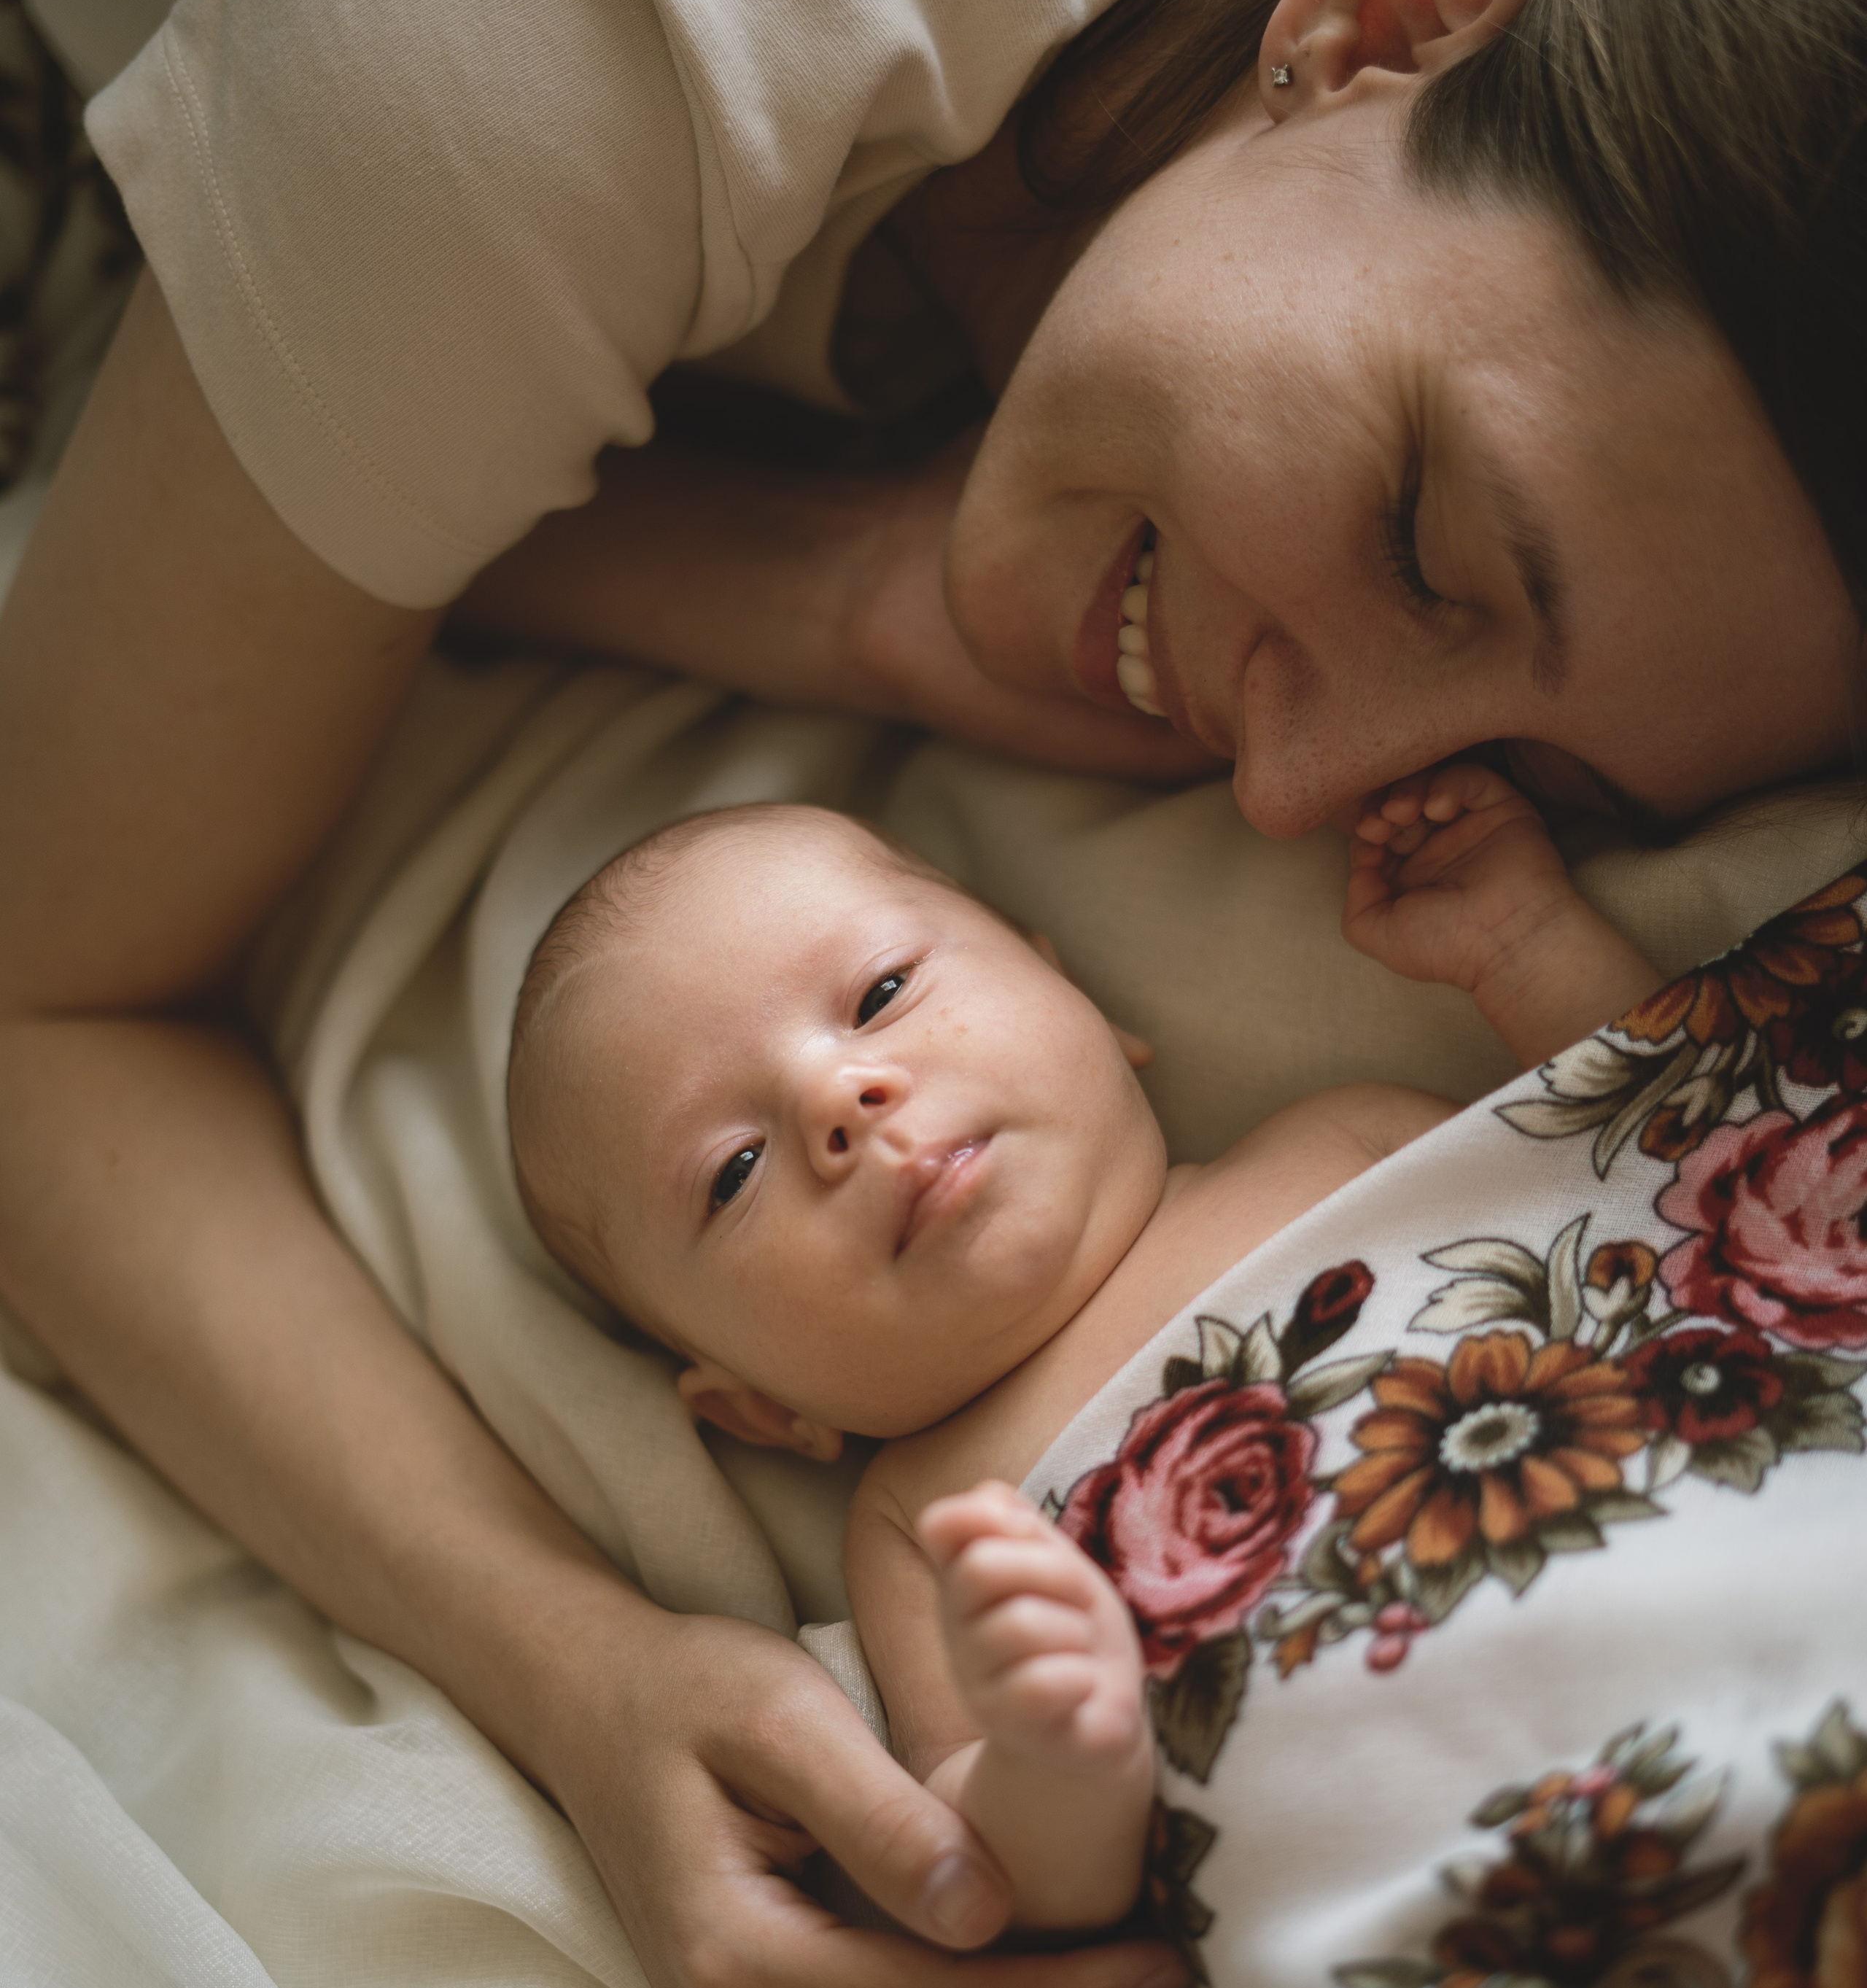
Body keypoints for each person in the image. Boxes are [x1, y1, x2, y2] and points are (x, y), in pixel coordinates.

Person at [0, 0, 1862, 1988]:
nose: (1291, 796)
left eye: (1546, 761)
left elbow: (1663, 1144)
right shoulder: (583, 2)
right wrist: (582, 1673)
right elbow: (40, 991)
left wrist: (853, 591)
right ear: (1383, 19)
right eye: (1429, 553)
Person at [505, 763, 1665, 1928]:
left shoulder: (1341, 1138)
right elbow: (1015, 1877)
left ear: (1073, 995)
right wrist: (1055, 1766)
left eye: (881, 992)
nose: (842, 1100)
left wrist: (1523, 944)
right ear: (764, 1409)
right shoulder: (928, 1519)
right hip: (1442, 1900)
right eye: (733, 1171)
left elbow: (1668, 1167)